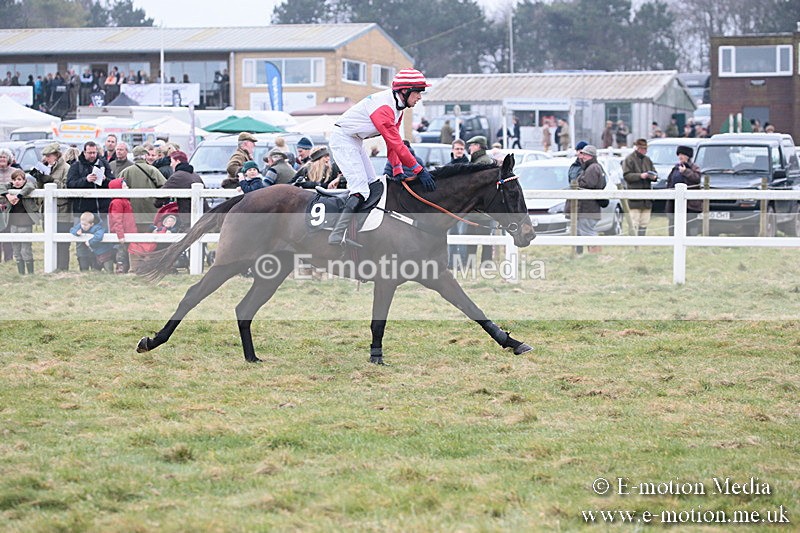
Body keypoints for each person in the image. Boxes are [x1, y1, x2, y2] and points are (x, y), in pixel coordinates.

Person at [327, 68, 435, 247]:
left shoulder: (398, 108)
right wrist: (419, 169)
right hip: (344, 140)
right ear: (405, 91)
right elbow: (397, 144)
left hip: (355, 141)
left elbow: (394, 142)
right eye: (418, 92)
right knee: (361, 190)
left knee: (373, 184)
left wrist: (398, 169)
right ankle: (337, 235)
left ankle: (360, 230)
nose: (420, 97)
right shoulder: (384, 108)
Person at [30, 143, 72, 270]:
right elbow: (40, 189)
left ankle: (62, 268)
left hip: (62, 211)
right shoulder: (45, 167)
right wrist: (39, 178)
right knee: (49, 241)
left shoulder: (66, 168)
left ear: (57, 155)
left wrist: (51, 181)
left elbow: (66, 188)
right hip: (47, 211)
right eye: (46, 156)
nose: (47, 158)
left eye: (49, 156)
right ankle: (51, 266)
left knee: (62, 244)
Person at [567, 145, 606, 254]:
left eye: (584, 154)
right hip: (589, 208)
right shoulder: (593, 167)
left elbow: (587, 184)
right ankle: (592, 255)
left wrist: (577, 184)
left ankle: (596, 255)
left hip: (588, 208)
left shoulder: (593, 168)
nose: (582, 156)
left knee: (588, 232)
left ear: (590, 156)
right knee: (585, 231)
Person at [119, 145, 166, 232]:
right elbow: (164, 186)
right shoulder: (153, 170)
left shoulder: (125, 171)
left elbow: (117, 188)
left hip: (132, 212)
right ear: (145, 156)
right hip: (151, 211)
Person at [0, 169, 39, 274]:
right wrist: (8, 195)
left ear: (24, 180)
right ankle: (21, 273)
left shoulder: (27, 187)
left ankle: (30, 273)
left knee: (26, 249)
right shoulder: (10, 188)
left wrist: (18, 196)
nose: (17, 182)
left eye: (19, 179)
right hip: (13, 224)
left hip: (25, 223)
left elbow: (30, 186)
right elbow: (1, 187)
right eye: (14, 179)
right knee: (16, 249)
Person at [155, 151, 206, 228]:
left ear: (177, 161)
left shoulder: (177, 176)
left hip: (187, 216)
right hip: (202, 214)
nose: (171, 165)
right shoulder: (195, 175)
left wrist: (157, 203)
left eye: (172, 162)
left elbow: (162, 194)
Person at [66, 141, 114, 222]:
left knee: (104, 234)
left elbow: (112, 182)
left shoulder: (104, 164)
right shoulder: (76, 166)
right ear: (84, 152)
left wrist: (105, 180)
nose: (92, 155)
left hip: (101, 210)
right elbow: (70, 184)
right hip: (82, 211)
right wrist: (86, 180)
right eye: (89, 153)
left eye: (94, 153)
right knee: (79, 234)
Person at [622, 138, 658, 237]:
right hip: (634, 197)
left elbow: (655, 173)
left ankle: (642, 240)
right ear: (638, 148)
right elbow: (626, 176)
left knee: (644, 222)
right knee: (634, 221)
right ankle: (633, 242)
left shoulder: (648, 160)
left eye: (645, 149)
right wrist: (640, 176)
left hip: (646, 199)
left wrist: (653, 177)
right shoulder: (629, 159)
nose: (645, 151)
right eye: (643, 148)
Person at [665, 145, 702, 236]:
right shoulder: (675, 168)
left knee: (690, 223)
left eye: (682, 154)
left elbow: (697, 178)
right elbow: (670, 181)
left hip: (690, 204)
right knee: (674, 222)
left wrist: (685, 172)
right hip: (674, 201)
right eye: (679, 154)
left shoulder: (694, 167)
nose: (680, 157)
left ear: (688, 156)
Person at [107, 178, 138, 273]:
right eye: (124, 186)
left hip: (128, 231)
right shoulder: (117, 202)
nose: (127, 187)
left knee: (128, 250)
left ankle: (128, 268)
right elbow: (117, 220)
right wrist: (120, 235)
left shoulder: (125, 201)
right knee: (121, 251)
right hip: (123, 233)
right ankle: (120, 269)